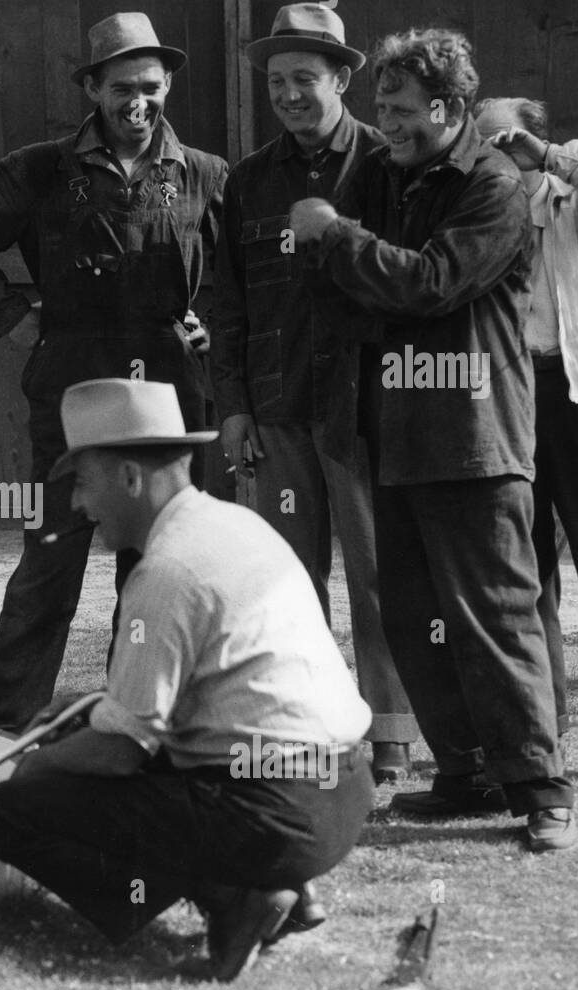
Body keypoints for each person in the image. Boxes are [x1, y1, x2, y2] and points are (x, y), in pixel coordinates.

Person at [0, 379, 374, 982]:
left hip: (278, 813)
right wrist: (89, 711)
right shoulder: (232, 526)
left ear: (131, 477)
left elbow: (119, 751)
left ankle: (234, 893)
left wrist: (40, 760)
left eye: (83, 482)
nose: (80, 505)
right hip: (341, 791)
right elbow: (187, 701)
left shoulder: (166, 569)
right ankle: (281, 883)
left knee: (13, 809)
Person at [291, 28, 578, 850]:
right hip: (395, 432)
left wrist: (344, 242)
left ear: (451, 110)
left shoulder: (496, 187)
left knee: (495, 615)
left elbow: (433, 284)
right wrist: (359, 260)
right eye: (382, 106)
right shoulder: (384, 176)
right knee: (415, 616)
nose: (387, 122)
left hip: (476, 436)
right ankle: (464, 773)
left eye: (403, 108)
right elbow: (350, 293)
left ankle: (542, 788)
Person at [0, 11, 227, 732]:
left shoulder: (206, 175)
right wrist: (13, 316)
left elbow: (241, 267)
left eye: (152, 88)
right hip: (72, 386)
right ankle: (3, 726)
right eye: (121, 86)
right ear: (92, 88)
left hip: (169, 386)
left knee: (156, 560)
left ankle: (144, 713)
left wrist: (211, 317)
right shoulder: (43, 169)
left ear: (167, 88)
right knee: (52, 556)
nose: (138, 102)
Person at [211, 1, 418, 783]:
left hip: (364, 410)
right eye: (276, 82)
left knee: (377, 574)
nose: (291, 94)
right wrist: (232, 406)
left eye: (306, 78)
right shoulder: (247, 181)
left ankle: (391, 739)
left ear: (342, 80)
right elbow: (227, 304)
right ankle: (304, 732)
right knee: (288, 585)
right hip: (277, 411)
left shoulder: (386, 165)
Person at [473, 97, 578, 744]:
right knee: (521, 565)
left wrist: (551, 159)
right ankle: (542, 727)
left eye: (504, 143)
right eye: (480, 146)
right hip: (507, 397)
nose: (495, 158)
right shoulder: (480, 213)